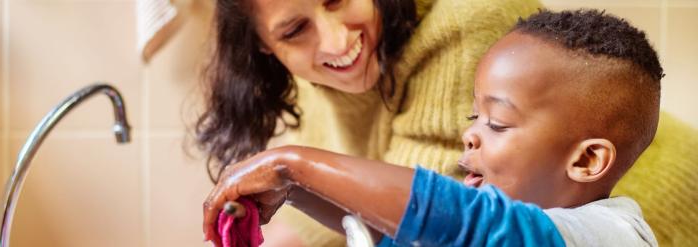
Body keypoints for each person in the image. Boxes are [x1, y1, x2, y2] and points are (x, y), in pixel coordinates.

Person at [196, 0, 698, 245]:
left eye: (496, 123)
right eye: (472, 116)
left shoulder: (604, 233)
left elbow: (458, 220)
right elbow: (403, 232)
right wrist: (295, 193)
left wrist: (295, 165)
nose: (470, 133)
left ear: (587, 159)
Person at [196, 0, 542, 245]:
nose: (338, 42)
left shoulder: (465, 21)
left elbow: (428, 223)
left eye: (336, 0)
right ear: (263, 45)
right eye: (296, 29)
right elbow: (315, 230)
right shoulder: (314, 70)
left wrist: (290, 166)